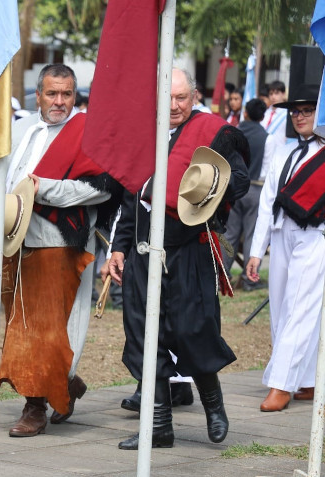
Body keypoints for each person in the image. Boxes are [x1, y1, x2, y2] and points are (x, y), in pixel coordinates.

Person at [106, 68, 249, 450]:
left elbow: (239, 180)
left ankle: (214, 406)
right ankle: (158, 426)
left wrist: (207, 182)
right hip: (141, 251)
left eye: (182, 97)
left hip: (190, 249)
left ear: (195, 96)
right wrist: (118, 247)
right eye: (167, 97)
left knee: (193, 330)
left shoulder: (213, 132)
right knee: (143, 337)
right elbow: (130, 199)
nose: (173, 105)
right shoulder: (143, 135)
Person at [0, 64, 121, 437]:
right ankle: (66, 384)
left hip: (58, 241)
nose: (60, 101)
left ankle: (35, 406)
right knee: (19, 327)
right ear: (38, 95)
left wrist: (43, 188)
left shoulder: (88, 133)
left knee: (50, 331)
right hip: (13, 241)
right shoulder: (18, 129)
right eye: (52, 93)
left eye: (67, 94)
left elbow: (101, 189)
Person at [246, 83, 325, 412]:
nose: (299, 117)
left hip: (315, 236)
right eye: (295, 111)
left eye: (307, 110)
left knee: (301, 306)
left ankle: (281, 383)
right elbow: (266, 203)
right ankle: (305, 378)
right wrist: (255, 250)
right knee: (279, 309)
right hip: (281, 234)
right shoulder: (282, 150)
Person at [223, 98, 277, 291]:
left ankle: (222, 274)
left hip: (232, 187)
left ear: (245, 112)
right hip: (255, 187)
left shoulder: (233, 132)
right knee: (253, 234)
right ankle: (249, 278)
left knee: (229, 233)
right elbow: (266, 170)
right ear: (263, 116)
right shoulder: (267, 137)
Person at [261, 81, 288, 146]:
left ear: (283, 94)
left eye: (276, 93)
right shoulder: (264, 113)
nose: (273, 97)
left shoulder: (287, 114)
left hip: (280, 151)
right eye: (271, 94)